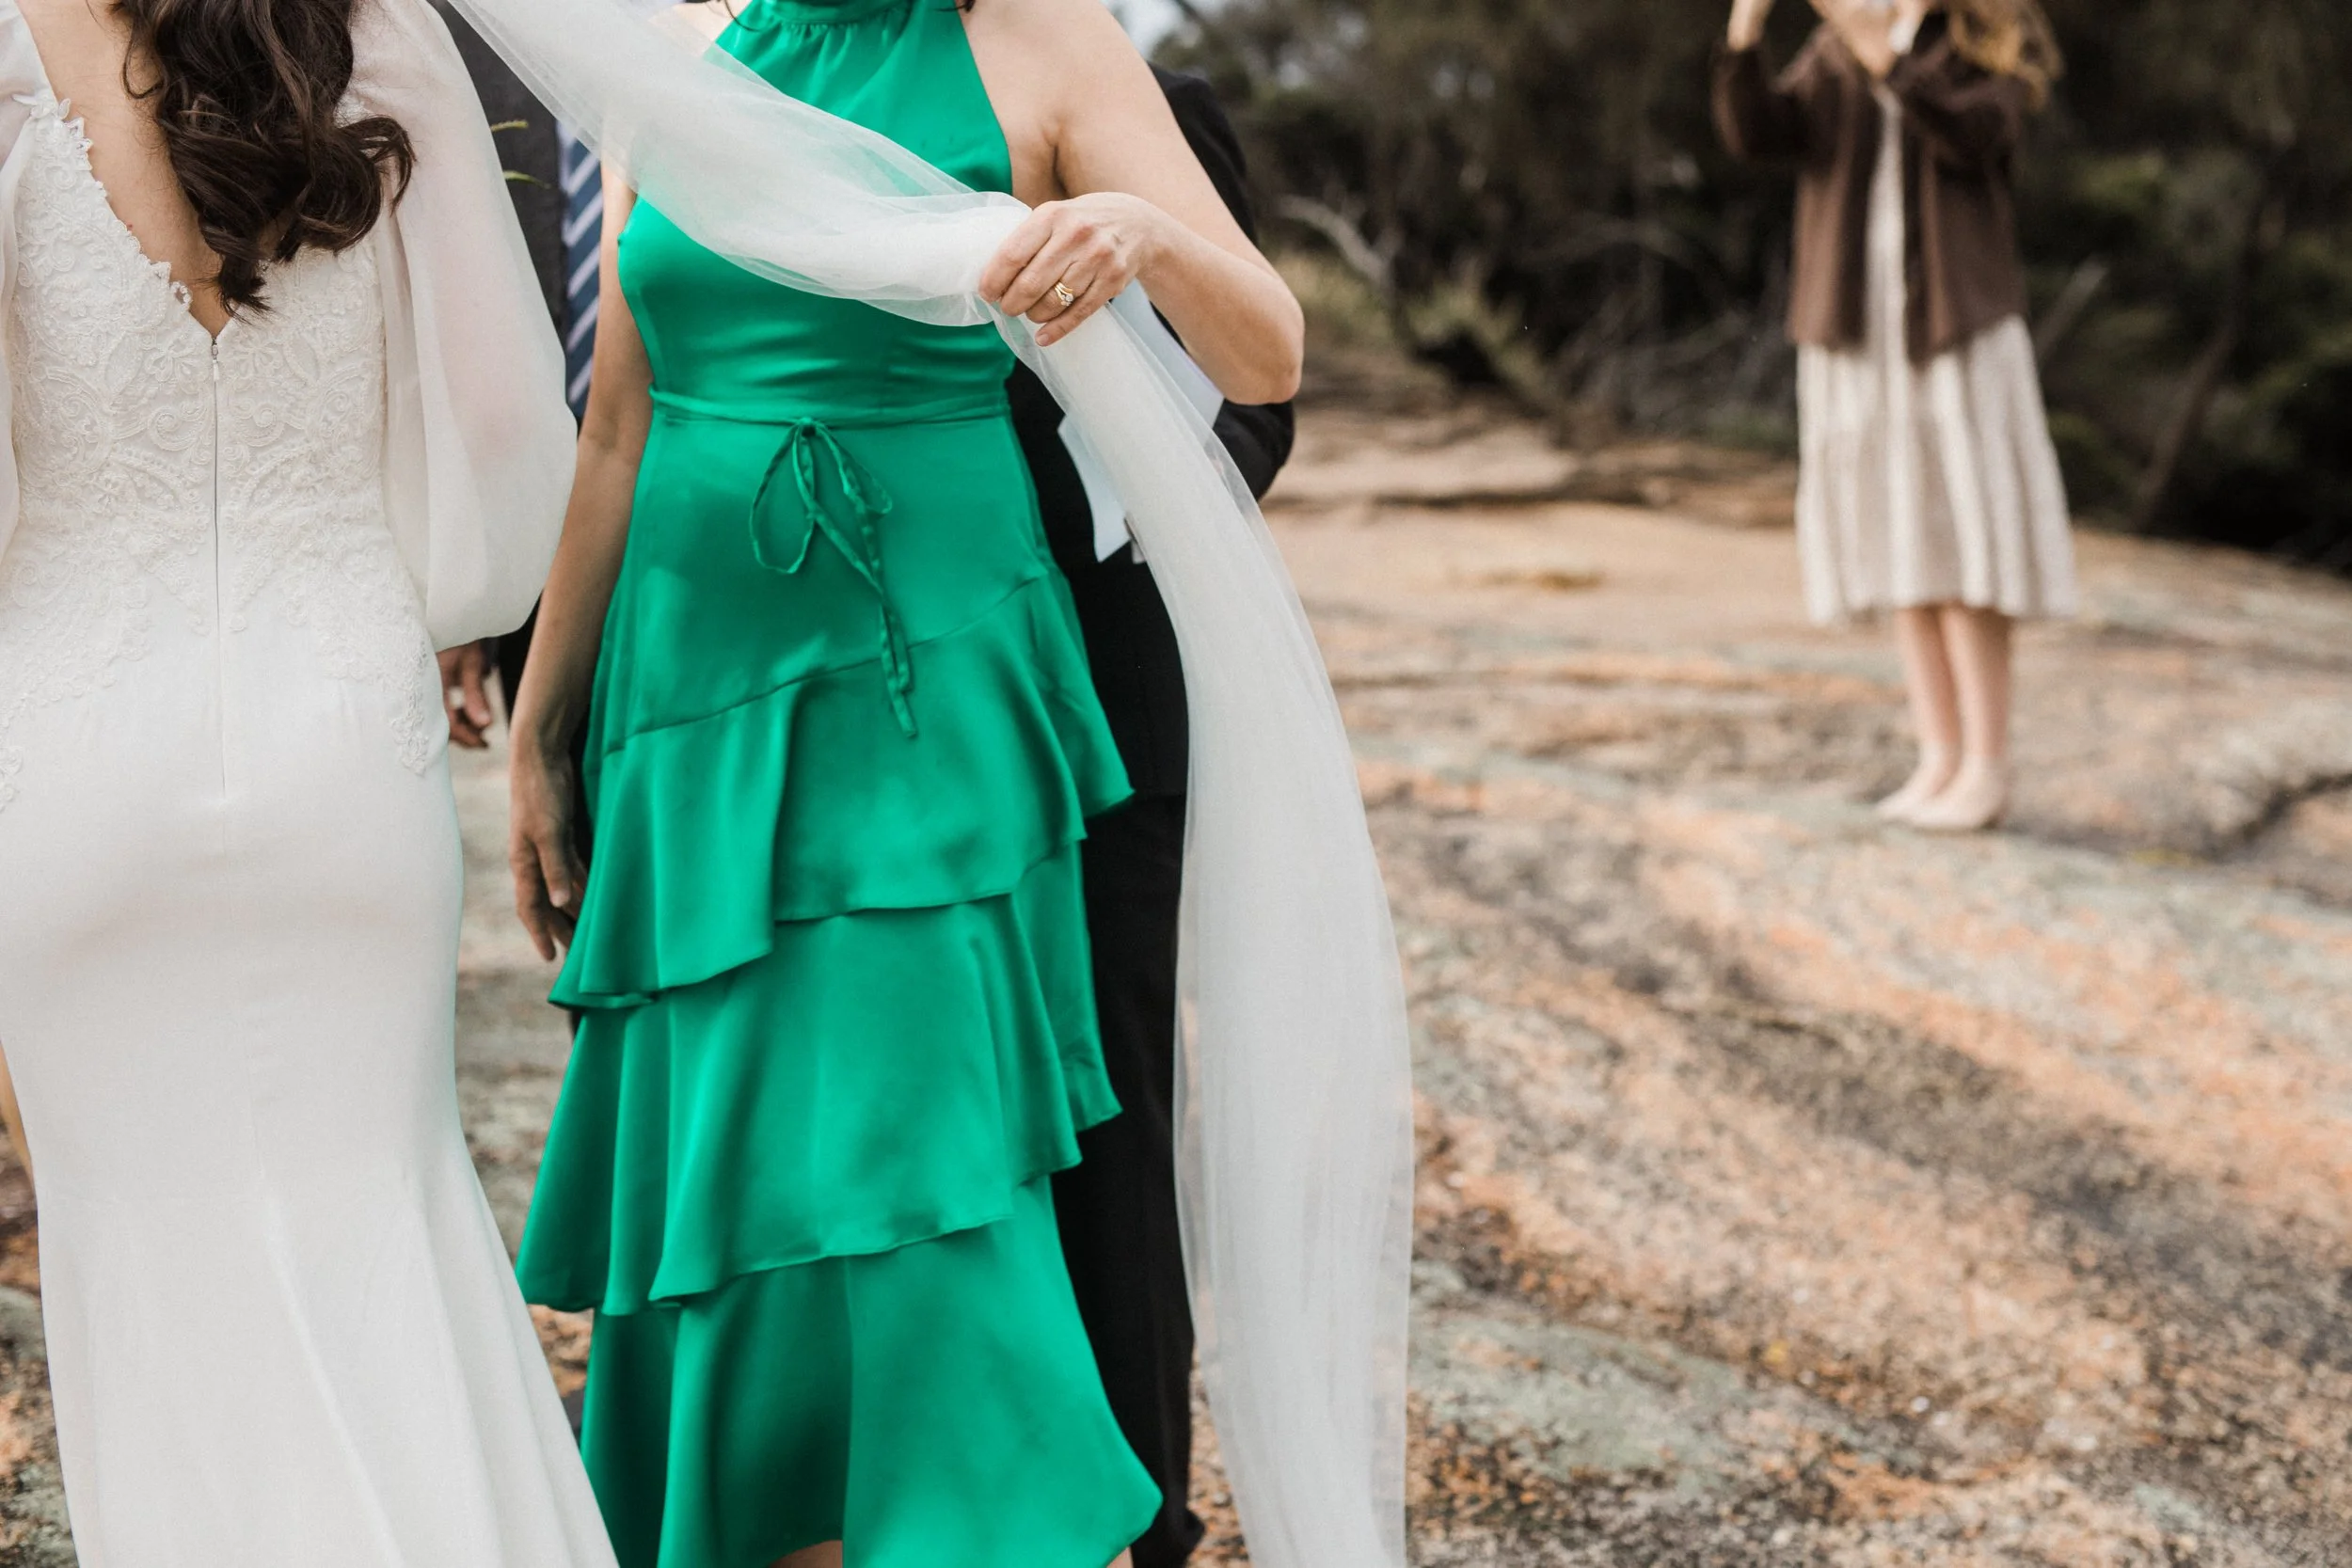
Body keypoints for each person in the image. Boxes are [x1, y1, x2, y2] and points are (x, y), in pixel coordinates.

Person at [501, 1, 1304, 1565]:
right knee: (732, 1170)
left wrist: (1142, 231)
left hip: (923, 676)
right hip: (690, 697)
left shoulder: (1047, 45)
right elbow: (616, 429)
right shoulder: (683, 50)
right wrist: (547, 723)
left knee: (919, 1157)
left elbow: (1266, 348)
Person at [0, 0, 617, 1558]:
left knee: (147, 1284)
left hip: (78, 758)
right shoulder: (371, 34)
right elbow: (501, 427)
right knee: (385, 1234)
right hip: (344, 747)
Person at [1010, 63, 1294, 1568]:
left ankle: (1150, 1518)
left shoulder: (1144, 99)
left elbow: (1262, 399)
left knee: (1115, 1120)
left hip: (1119, 697)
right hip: (920, 699)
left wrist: (1129, 498)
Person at [1716, 0, 2074, 832]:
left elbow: (1975, 137)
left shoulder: (1984, 42)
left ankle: (1987, 764)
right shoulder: (1834, 46)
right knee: (1898, 538)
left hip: (1953, 328)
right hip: (1858, 331)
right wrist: (1745, 34)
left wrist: (1885, 58)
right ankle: (1938, 755)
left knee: (1965, 547)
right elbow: (1757, 135)